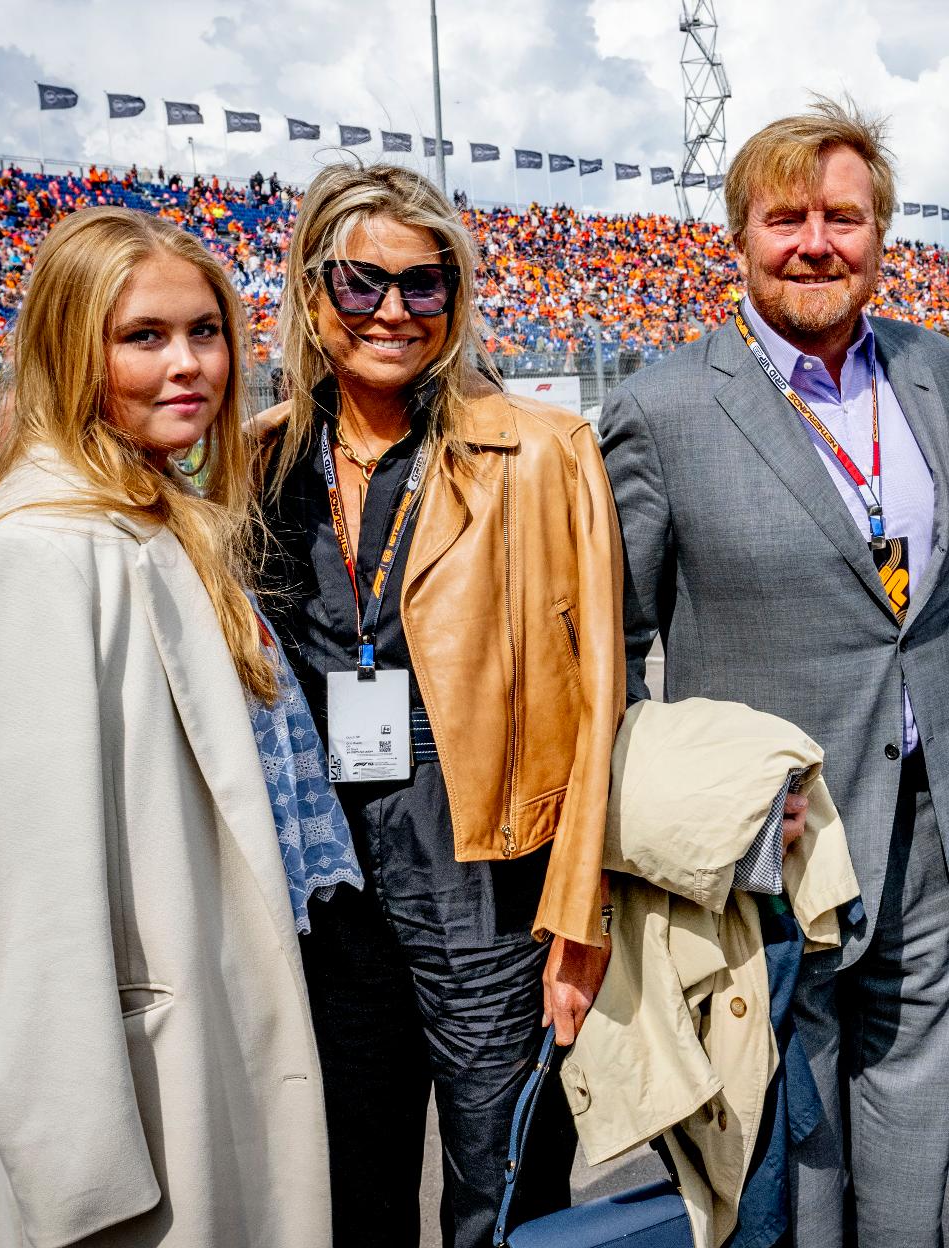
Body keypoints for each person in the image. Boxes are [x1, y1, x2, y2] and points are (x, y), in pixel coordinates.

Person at [601, 98, 949, 1248]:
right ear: (739, 236)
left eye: (844, 217)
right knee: (789, 1148)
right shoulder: (660, 408)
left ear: (880, 236)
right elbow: (615, 649)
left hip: (933, 827)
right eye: (787, 218)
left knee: (916, 1114)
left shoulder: (936, 374)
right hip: (772, 847)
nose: (816, 242)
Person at [259, 161, 624, 1248]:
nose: (391, 311)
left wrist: (578, 914)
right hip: (324, 890)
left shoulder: (542, 452)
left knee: (502, 1194)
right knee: (349, 1186)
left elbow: (601, 693)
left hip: (487, 883)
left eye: (424, 286)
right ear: (312, 288)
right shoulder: (253, 459)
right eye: (361, 281)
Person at [0, 207, 339, 1246]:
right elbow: (25, 908)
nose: (189, 365)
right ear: (66, 347)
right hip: (137, 1099)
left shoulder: (149, 513)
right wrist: (78, 1182)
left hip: (205, 1034)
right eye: (143, 337)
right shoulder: (41, 556)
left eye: (206, 331)